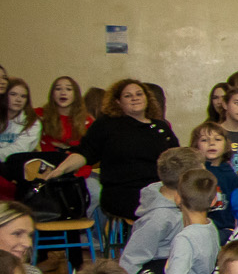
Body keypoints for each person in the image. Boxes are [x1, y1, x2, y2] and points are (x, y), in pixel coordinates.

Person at [38, 78, 179, 223]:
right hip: (123, 192)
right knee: (162, 212)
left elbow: (178, 158)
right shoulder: (107, 125)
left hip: (158, 189)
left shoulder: (161, 127)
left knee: (182, 206)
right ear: (118, 102)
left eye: (139, 94)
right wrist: (60, 170)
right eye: (127, 96)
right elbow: (85, 153)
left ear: (147, 98)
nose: (134, 98)